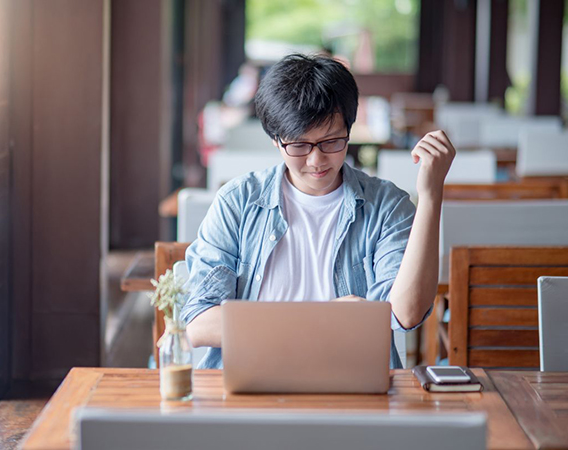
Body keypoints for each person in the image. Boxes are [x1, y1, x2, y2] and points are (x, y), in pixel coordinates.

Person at [180, 54, 455, 369]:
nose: (316, 160)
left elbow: (406, 313)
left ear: (349, 131)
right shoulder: (238, 202)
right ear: (275, 139)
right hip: (251, 380)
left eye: (331, 142)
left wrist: (431, 196)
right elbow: (199, 323)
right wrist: (323, 317)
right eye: (299, 145)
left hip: (352, 382)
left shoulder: (385, 205)